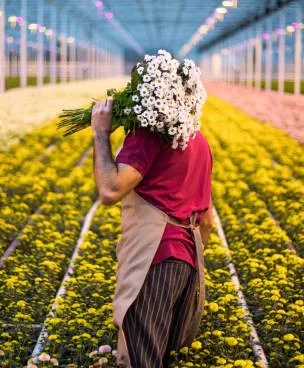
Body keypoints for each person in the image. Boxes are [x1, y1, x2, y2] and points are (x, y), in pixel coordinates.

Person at [90, 95, 213, 367]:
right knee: (161, 352)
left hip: (155, 256)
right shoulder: (198, 139)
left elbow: (110, 190)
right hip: (186, 260)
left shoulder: (149, 135)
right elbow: (207, 221)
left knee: (141, 357)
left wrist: (100, 133)